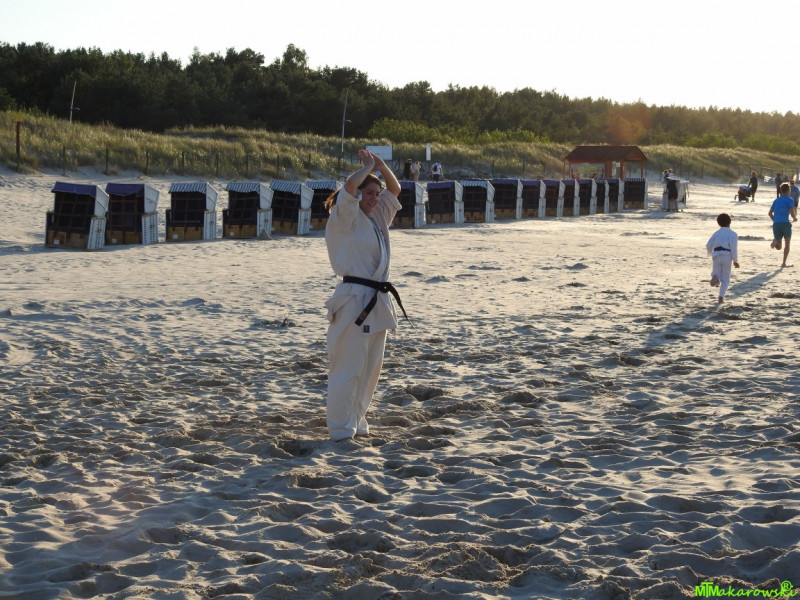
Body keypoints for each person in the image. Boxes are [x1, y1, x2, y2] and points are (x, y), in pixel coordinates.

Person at [323, 149, 403, 442]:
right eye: (368, 193)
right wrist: (368, 167)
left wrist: (381, 166)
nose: (374, 198)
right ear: (358, 195)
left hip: (376, 298)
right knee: (349, 366)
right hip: (353, 299)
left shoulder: (377, 216)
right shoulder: (346, 217)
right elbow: (348, 187)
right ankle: (341, 428)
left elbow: (395, 189)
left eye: (376, 194)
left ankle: (357, 419)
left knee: (370, 367)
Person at [706, 213, 739, 304]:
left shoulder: (716, 233)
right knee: (725, 279)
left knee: (716, 272)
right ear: (730, 222)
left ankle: (715, 277)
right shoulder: (733, 234)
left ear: (718, 223)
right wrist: (735, 260)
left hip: (716, 255)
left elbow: (708, 245)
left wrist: (711, 253)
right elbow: (733, 248)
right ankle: (720, 298)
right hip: (726, 255)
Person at [768, 182, 798, 268]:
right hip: (785, 223)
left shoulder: (776, 200)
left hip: (776, 224)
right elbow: (792, 213)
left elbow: (770, 213)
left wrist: (775, 220)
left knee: (779, 247)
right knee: (787, 243)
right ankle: (783, 263)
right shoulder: (790, 200)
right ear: (788, 190)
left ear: (781, 191)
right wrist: (794, 218)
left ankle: (776, 240)